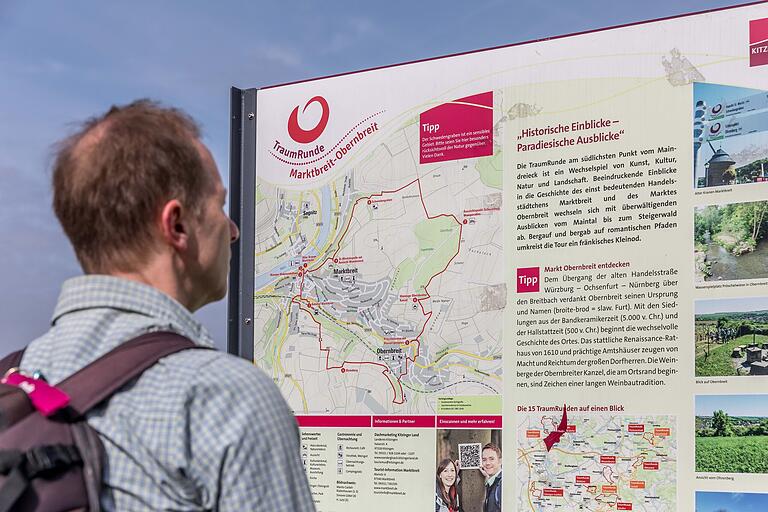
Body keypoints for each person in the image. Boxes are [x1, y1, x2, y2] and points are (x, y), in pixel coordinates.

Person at [17, 100, 316, 511]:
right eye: (218, 204)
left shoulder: (12, 384)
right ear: (176, 225)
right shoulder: (223, 400)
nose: (232, 230)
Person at [480, 443, 502, 512]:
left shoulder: (502, 485)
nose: (487, 463)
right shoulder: (492, 482)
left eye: (491, 459)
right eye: (484, 460)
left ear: (500, 461)